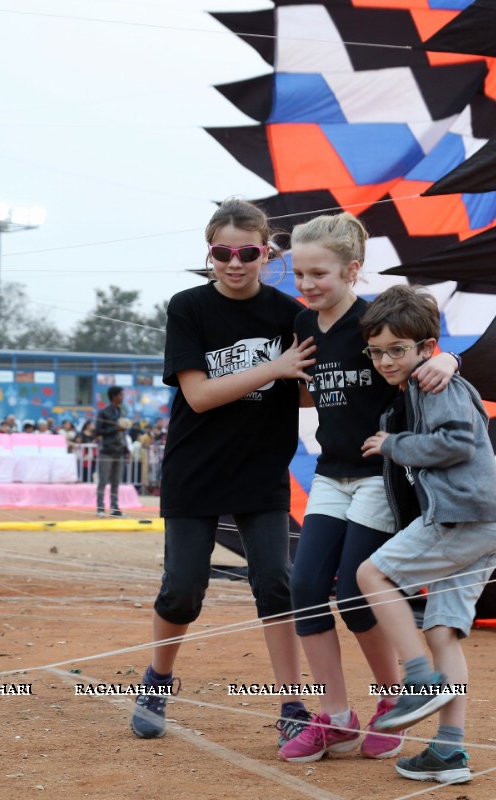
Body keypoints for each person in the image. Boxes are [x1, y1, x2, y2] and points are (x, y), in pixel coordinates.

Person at [130, 197, 318, 748]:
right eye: (222, 252)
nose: (235, 262)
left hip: (260, 469)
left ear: (267, 252)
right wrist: (276, 367)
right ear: (209, 252)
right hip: (196, 469)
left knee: (276, 584)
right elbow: (200, 394)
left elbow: (307, 393)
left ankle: (293, 704)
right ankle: (157, 682)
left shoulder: (292, 315)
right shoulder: (188, 307)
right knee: (184, 589)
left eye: (247, 252)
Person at [278, 213, 459, 763]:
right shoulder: (303, 327)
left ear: (352, 270)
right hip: (331, 475)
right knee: (305, 586)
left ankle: (392, 702)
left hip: (381, 475)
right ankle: (335, 716)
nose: (307, 285)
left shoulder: (371, 320)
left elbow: (424, 349)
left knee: (358, 592)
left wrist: (449, 358)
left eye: (320, 274)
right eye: (299, 273)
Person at [356, 285, 496, 785]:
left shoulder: (433, 384)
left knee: (372, 573)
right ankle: (449, 752)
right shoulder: (428, 382)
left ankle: (420, 678)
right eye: (376, 351)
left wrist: (392, 444)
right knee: (442, 628)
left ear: (427, 349)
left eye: (396, 350)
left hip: (461, 518)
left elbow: (456, 442)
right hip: (486, 522)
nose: (384, 360)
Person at [95, 386, 128, 518]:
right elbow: (97, 431)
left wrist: (127, 449)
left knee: (116, 481)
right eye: (120, 395)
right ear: (114, 396)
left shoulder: (120, 411)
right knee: (103, 480)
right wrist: (115, 429)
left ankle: (115, 507)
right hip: (107, 451)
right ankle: (100, 507)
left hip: (119, 451)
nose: (122, 397)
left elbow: (122, 433)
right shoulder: (103, 412)